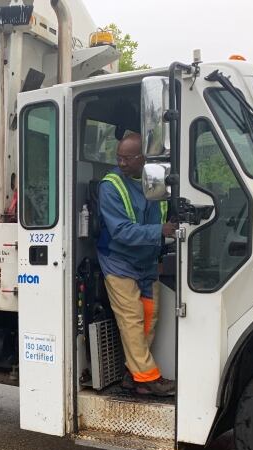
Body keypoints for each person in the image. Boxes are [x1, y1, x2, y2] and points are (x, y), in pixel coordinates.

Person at [97, 133, 177, 397]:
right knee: (131, 318)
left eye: (127, 158)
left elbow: (162, 217)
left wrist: (161, 248)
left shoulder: (156, 182)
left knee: (149, 317)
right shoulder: (111, 186)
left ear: (144, 159)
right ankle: (148, 378)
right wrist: (160, 232)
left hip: (146, 262)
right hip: (118, 261)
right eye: (118, 157)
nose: (121, 162)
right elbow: (121, 231)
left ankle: (133, 374)